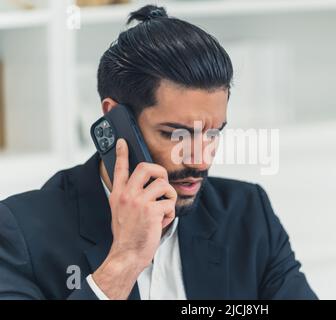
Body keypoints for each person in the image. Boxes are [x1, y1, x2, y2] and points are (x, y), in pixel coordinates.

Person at [0, 5, 317, 300]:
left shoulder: (247, 213)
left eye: (212, 133)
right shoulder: (20, 231)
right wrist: (125, 260)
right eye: (174, 134)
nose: (200, 159)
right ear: (115, 121)